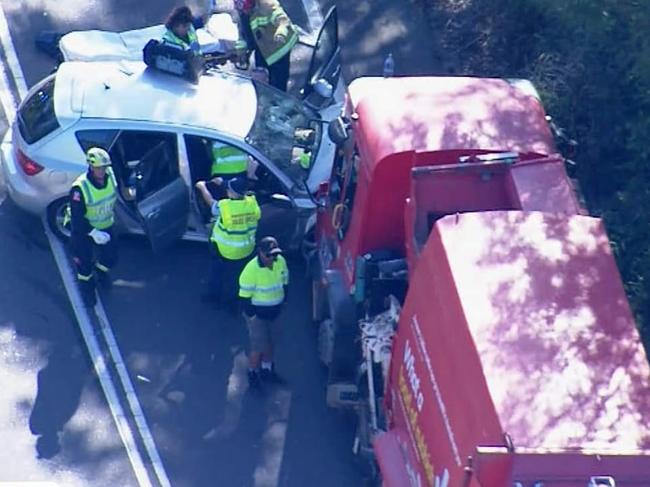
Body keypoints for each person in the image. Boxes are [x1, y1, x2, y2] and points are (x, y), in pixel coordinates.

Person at [196, 176, 261, 310]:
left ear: (232, 193)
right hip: (246, 249)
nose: (227, 190)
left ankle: (214, 296)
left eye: (228, 189)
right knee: (237, 278)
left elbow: (210, 202)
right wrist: (221, 182)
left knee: (217, 273)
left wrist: (202, 187)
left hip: (224, 250)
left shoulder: (225, 206)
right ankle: (232, 304)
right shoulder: (252, 203)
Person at [69, 147, 118, 308]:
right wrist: (93, 232)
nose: (102, 171)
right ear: (90, 166)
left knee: (111, 257)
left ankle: (101, 272)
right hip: (83, 230)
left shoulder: (110, 176)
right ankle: (87, 290)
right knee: (84, 265)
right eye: (98, 168)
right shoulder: (80, 188)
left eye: (104, 167)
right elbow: (77, 218)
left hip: (105, 224)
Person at [238, 236, 289, 388]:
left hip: (275, 313)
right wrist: (253, 316)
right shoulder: (250, 270)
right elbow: (244, 299)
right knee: (258, 347)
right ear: (260, 252)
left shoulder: (281, 262)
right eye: (269, 255)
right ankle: (253, 374)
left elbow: (285, 283)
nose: (272, 258)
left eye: (275, 254)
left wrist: (283, 303)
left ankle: (267, 370)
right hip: (258, 317)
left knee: (271, 343)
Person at [234, 0, 298, 91]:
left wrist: (281, 31)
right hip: (261, 47)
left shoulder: (267, 4)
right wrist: (241, 50)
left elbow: (282, 20)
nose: (245, 13)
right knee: (259, 78)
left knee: (279, 81)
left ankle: (279, 100)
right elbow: (243, 33)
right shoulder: (242, 12)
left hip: (279, 48)